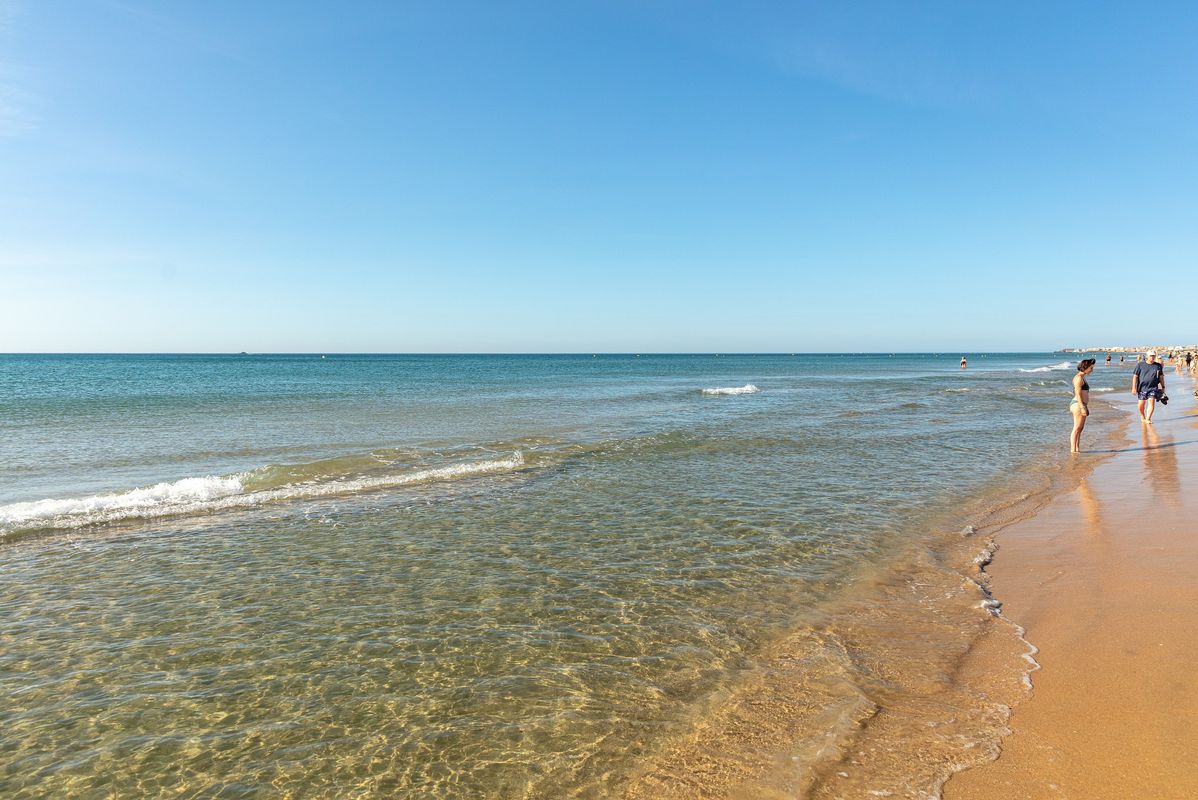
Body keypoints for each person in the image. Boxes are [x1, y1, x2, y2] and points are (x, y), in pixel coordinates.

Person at [1070, 358, 1096, 453]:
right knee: (1076, 428)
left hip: (1081, 404)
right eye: (1091, 368)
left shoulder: (1082, 377)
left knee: (1080, 428)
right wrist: (1082, 407)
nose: (1092, 370)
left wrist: (1085, 406)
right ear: (1085, 367)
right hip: (1078, 404)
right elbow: (1077, 393)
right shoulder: (1078, 378)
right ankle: (1073, 450)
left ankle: (1077, 449)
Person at [1132, 350, 1165, 423]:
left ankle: (1148, 418)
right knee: (1141, 404)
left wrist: (1163, 386)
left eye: (1153, 355)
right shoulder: (1140, 365)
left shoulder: (1158, 366)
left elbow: (1161, 377)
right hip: (1142, 388)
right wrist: (1133, 388)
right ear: (1147, 356)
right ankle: (1142, 415)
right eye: (1151, 355)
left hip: (1153, 387)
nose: (1152, 357)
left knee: (1151, 401)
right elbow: (1135, 376)